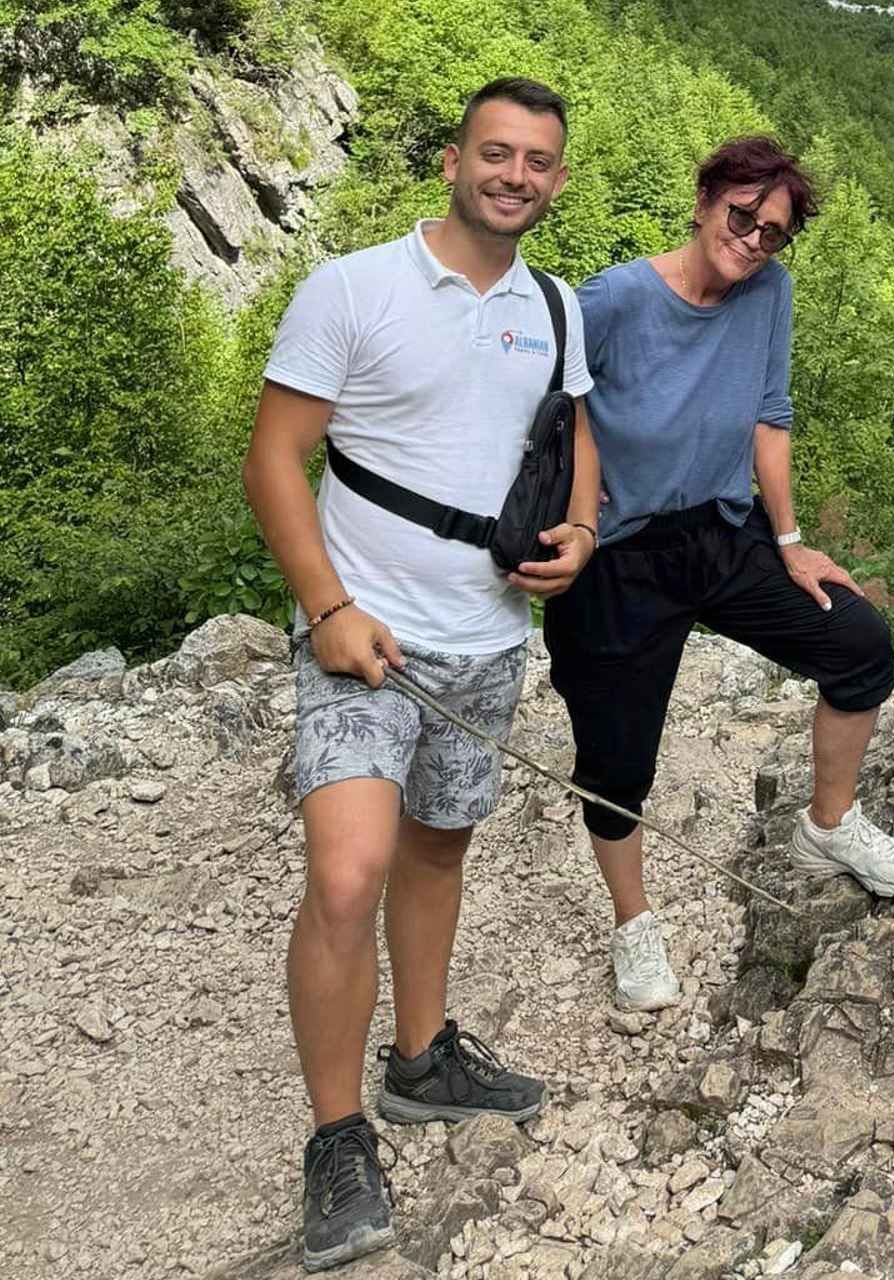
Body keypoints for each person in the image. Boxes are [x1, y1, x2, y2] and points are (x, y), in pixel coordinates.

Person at [244, 78, 599, 1271]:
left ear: (555, 177)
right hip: (363, 634)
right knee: (347, 875)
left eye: (539, 161)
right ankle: (338, 1137)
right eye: (497, 153)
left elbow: (573, 434)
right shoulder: (353, 287)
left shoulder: (556, 304)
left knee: (440, 844)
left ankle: (424, 1055)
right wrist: (327, 607)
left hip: (488, 636)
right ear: (452, 161)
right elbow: (276, 460)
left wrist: (584, 534)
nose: (517, 175)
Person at [547, 136, 894, 1016]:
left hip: (723, 531)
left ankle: (825, 827)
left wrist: (790, 539)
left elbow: (769, 416)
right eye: (742, 217)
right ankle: (633, 923)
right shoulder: (609, 302)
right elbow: (549, 409)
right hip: (621, 555)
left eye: (774, 231)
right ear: (703, 199)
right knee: (615, 758)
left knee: (858, 644)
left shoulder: (768, 293)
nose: (755, 240)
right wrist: (575, 512)